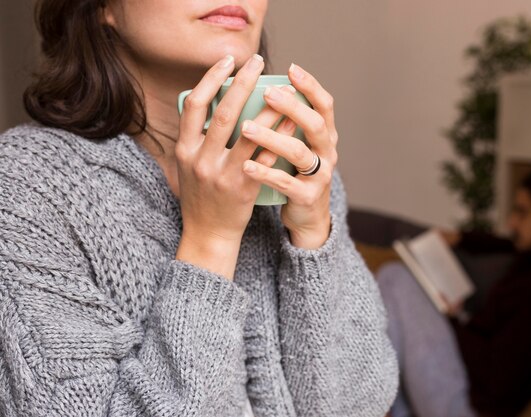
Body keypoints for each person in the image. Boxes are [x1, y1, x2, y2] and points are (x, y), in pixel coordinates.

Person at [0, 1, 398, 416]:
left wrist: (314, 237)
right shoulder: (24, 187)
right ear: (103, 8)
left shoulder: (294, 167)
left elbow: (360, 404)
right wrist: (212, 240)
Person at [378, 166, 531, 417]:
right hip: (467, 387)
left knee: (395, 278)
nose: (511, 222)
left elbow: (494, 372)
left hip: (469, 406)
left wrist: (452, 319)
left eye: (522, 212)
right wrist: (463, 238)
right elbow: (510, 243)